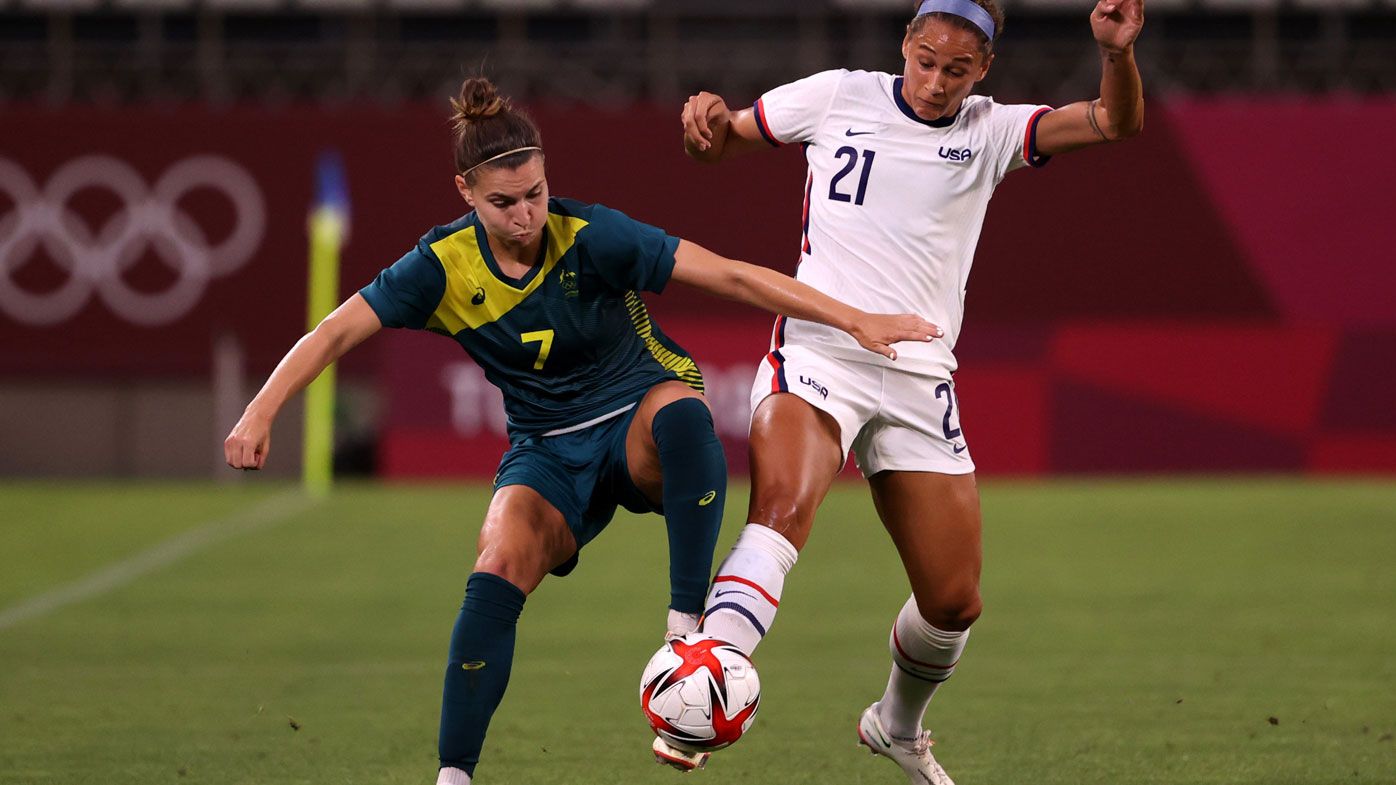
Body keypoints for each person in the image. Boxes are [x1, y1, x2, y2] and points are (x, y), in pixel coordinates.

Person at [223, 76, 939, 785]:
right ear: (465, 193)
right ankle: (453, 776)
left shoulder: (592, 236)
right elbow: (333, 331)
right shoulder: (440, 267)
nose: (525, 213)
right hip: (547, 450)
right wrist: (261, 410)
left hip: (637, 417)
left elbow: (730, 276)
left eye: (534, 193)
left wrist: (852, 318)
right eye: (503, 202)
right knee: (497, 563)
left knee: (685, 416)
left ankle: (687, 628)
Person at [673, 0, 1145, 781]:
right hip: (823, 347)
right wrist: (706, 121)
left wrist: (1118, 54)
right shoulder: (837, 95)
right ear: (906, 45)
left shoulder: (991, 130)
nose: (934, 82)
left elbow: (1112, 123)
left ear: (983, 68)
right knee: (784, 508)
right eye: (925, 60)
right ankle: (706, 674)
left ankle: (896, 724)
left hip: (920, 374)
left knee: (954, 601)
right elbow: (722, 142)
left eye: (956, 70)